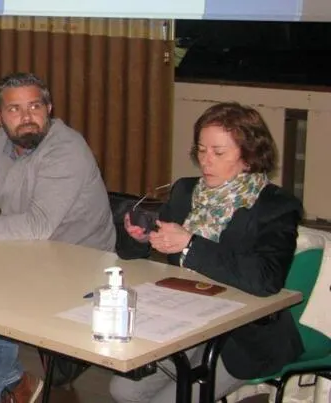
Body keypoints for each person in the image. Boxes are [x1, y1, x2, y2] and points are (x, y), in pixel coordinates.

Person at [0, 72, 115, 403]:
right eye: (15, 109)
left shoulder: (67, 149)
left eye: (35, 106)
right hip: (24, 254)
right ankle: (15, 380)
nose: (27, 117)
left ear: (49, 109)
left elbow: (39, 226)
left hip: (80, 265)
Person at [109, 102, 303, 403]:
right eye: (201, 150)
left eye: (218, 152)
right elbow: (133, 253)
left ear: (249, 156)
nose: (205, 161)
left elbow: (266, 279)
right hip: (185, 318)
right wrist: (140, 238)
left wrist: (190, 244)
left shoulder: (275, 206)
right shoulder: (186, 191)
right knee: (122, 390)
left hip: (244, 336)